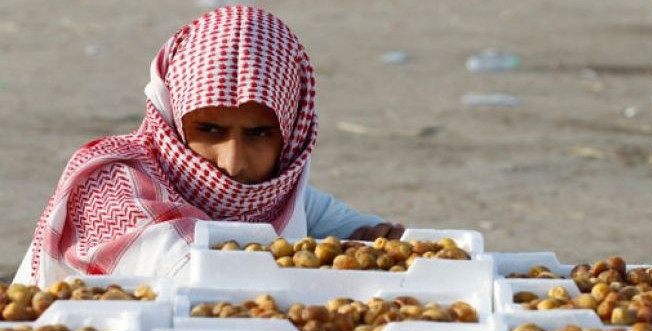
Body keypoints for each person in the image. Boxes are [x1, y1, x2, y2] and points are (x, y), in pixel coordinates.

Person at [14, 6, 404, 286]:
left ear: (291, 131)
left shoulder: (275, 190)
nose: (233, 164)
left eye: (259, 133)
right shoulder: (112, 183)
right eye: (210, 130)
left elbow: (348, 226)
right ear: (173, 115)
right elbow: (191, 272)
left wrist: (375, 242)